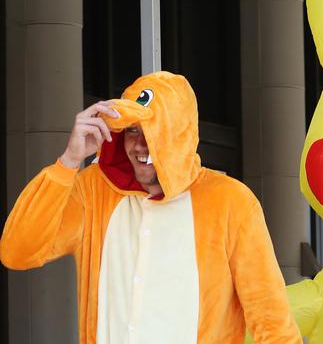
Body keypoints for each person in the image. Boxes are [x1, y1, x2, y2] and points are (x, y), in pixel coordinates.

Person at [0, 71, 302, 344]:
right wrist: (67, 162)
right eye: (131, 130)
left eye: (152, 131)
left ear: (181, 135)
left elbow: (272, 323)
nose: (140, 145)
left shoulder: (231, 202)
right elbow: (18, 251)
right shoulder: (94, 191)